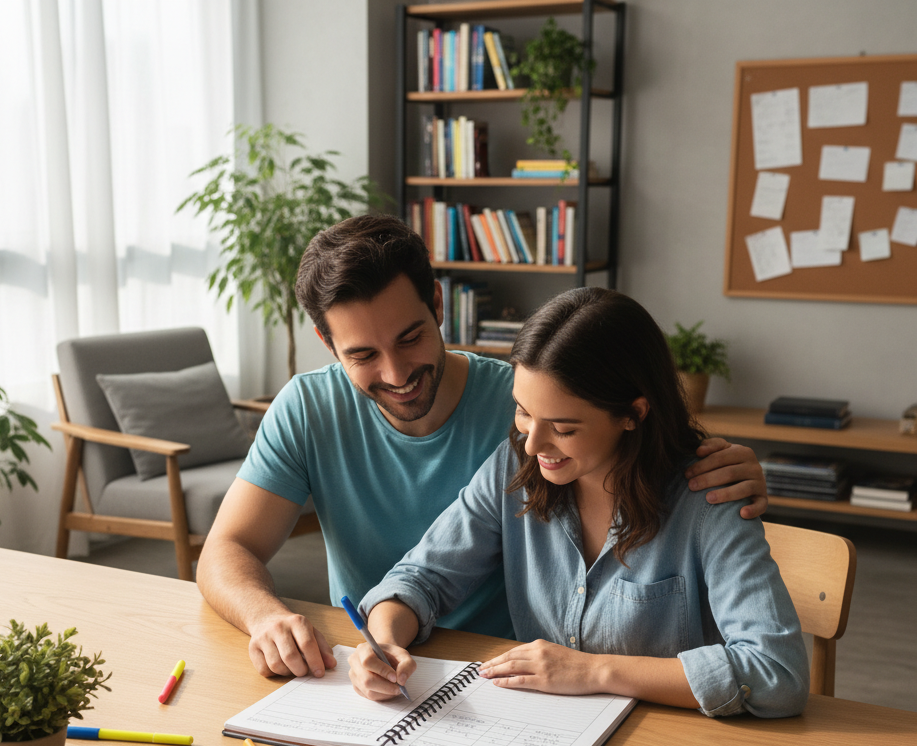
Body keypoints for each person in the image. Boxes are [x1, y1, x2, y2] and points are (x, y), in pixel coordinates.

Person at [197, 215, 771, 683]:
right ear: (327, 342)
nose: (396, 373)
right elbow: (416, 574)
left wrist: (718, 470)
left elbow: (648, 437)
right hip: (451, 680)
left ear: (439, 307)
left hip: (529, 669)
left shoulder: (528, 397)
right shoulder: (513, 451)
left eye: (410, 337)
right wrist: (320, 625)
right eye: (363, 355)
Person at [350, 287, 809, 719]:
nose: (533, 446)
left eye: (564, 428)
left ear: (633, 414)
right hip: (547, 736)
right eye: (523, 412)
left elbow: (777, 673)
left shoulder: (709, 496)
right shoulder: (514, 468)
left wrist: (593, 671)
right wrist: (385, 642)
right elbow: (422, 577)